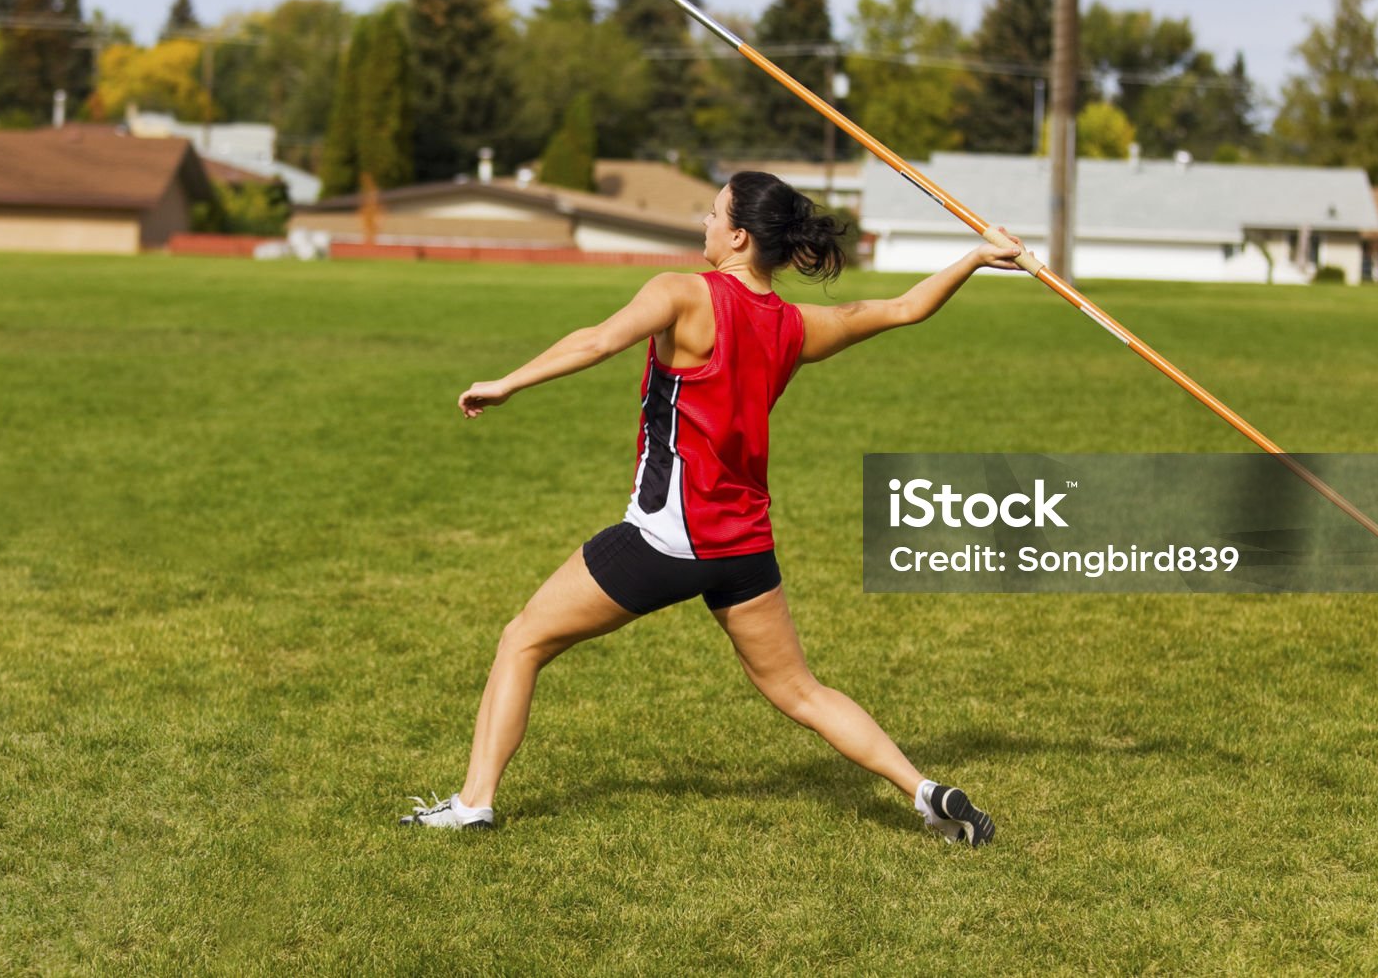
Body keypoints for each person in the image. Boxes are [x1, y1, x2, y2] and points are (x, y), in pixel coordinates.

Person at [401, 170, 1023, 843]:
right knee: (801, 693)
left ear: (737, 235)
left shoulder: (681, 294)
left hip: (666, 539)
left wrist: (507, 382)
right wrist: (975, 257)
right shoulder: (793, 326)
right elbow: (903, 309)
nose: (702, 222)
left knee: (522, 640)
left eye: (712, 212)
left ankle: (473, 805)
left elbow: (596, 341)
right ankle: (925, 792)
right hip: (744, 547)